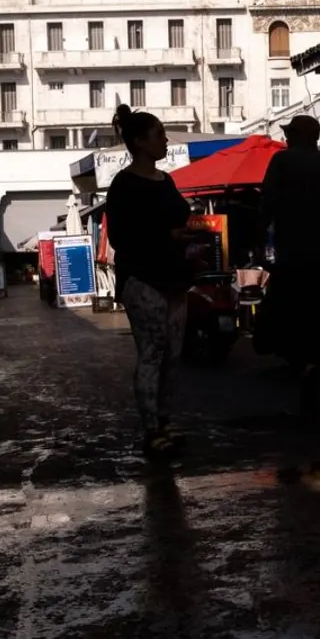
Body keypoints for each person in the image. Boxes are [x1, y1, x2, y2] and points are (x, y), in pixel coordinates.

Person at [105, 104, 192, 461]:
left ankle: (165, 421)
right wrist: (166, 236)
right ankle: (151, 429)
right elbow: (122, 238)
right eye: (159, 134)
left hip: (173, 278)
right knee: (152, 353)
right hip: (144, 279)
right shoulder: (124, 185)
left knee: (172, 355)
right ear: (140, 142)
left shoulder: (166, 180)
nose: (165, 140)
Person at [258, 114, 320, 414]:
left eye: (289, 133)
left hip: (291, 261)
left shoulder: (281, 163)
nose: (285, 138)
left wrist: (257, 248)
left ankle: (303, 372)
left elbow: (266, 209)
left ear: (299, 135)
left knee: (291, 324)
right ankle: (312, 372)